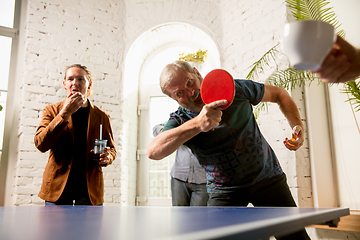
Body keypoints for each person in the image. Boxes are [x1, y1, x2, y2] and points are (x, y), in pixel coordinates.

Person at [147, 60, 310, 240]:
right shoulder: (180, 119)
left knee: (296, 238)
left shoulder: (235, 89)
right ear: (174, 99)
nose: (190, 93)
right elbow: (153, 151)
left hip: (268, 178)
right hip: (225, 191)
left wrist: (297, 125)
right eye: (180, 93)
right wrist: (198, 124)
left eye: (189, 82)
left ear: (196, 72)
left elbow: (279, 94)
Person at [34, 64, 116, 206]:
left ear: (89, 84)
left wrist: (108, 157)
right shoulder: (51, 111)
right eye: (70, 79)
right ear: (65, 84)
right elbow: (41, 144)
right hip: (57, 187)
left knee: (90, 229)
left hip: (89, 189)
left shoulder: (102, 116)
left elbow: (112, 149)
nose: (75, 83)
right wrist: (64, 114)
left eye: (80, 79)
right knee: (54, 229)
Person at [153, 123, 208, 206]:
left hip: (202, 180)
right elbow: (156, 128)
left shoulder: (208, 122)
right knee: (179, 216)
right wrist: (174, 133)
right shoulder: (181, 120)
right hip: (179, 177)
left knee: (198, 217)